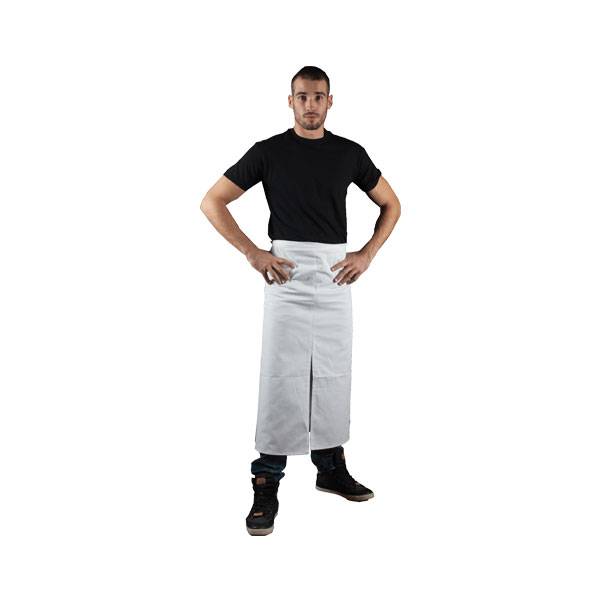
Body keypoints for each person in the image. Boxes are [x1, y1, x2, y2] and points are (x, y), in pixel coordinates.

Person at [200, 66, 401, 536]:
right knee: (281, 375)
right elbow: (212, 201)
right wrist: (253, 252)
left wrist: (367, 254)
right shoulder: (268, 152)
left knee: (333, 373)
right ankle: (266, 478)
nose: (311, 105)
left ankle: (330, 466)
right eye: (303, 96)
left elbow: (392, 204)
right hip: (285, 274)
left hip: (335, 275)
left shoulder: (349, 153)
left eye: (318, 96)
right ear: (290, 101)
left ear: (331, 101)